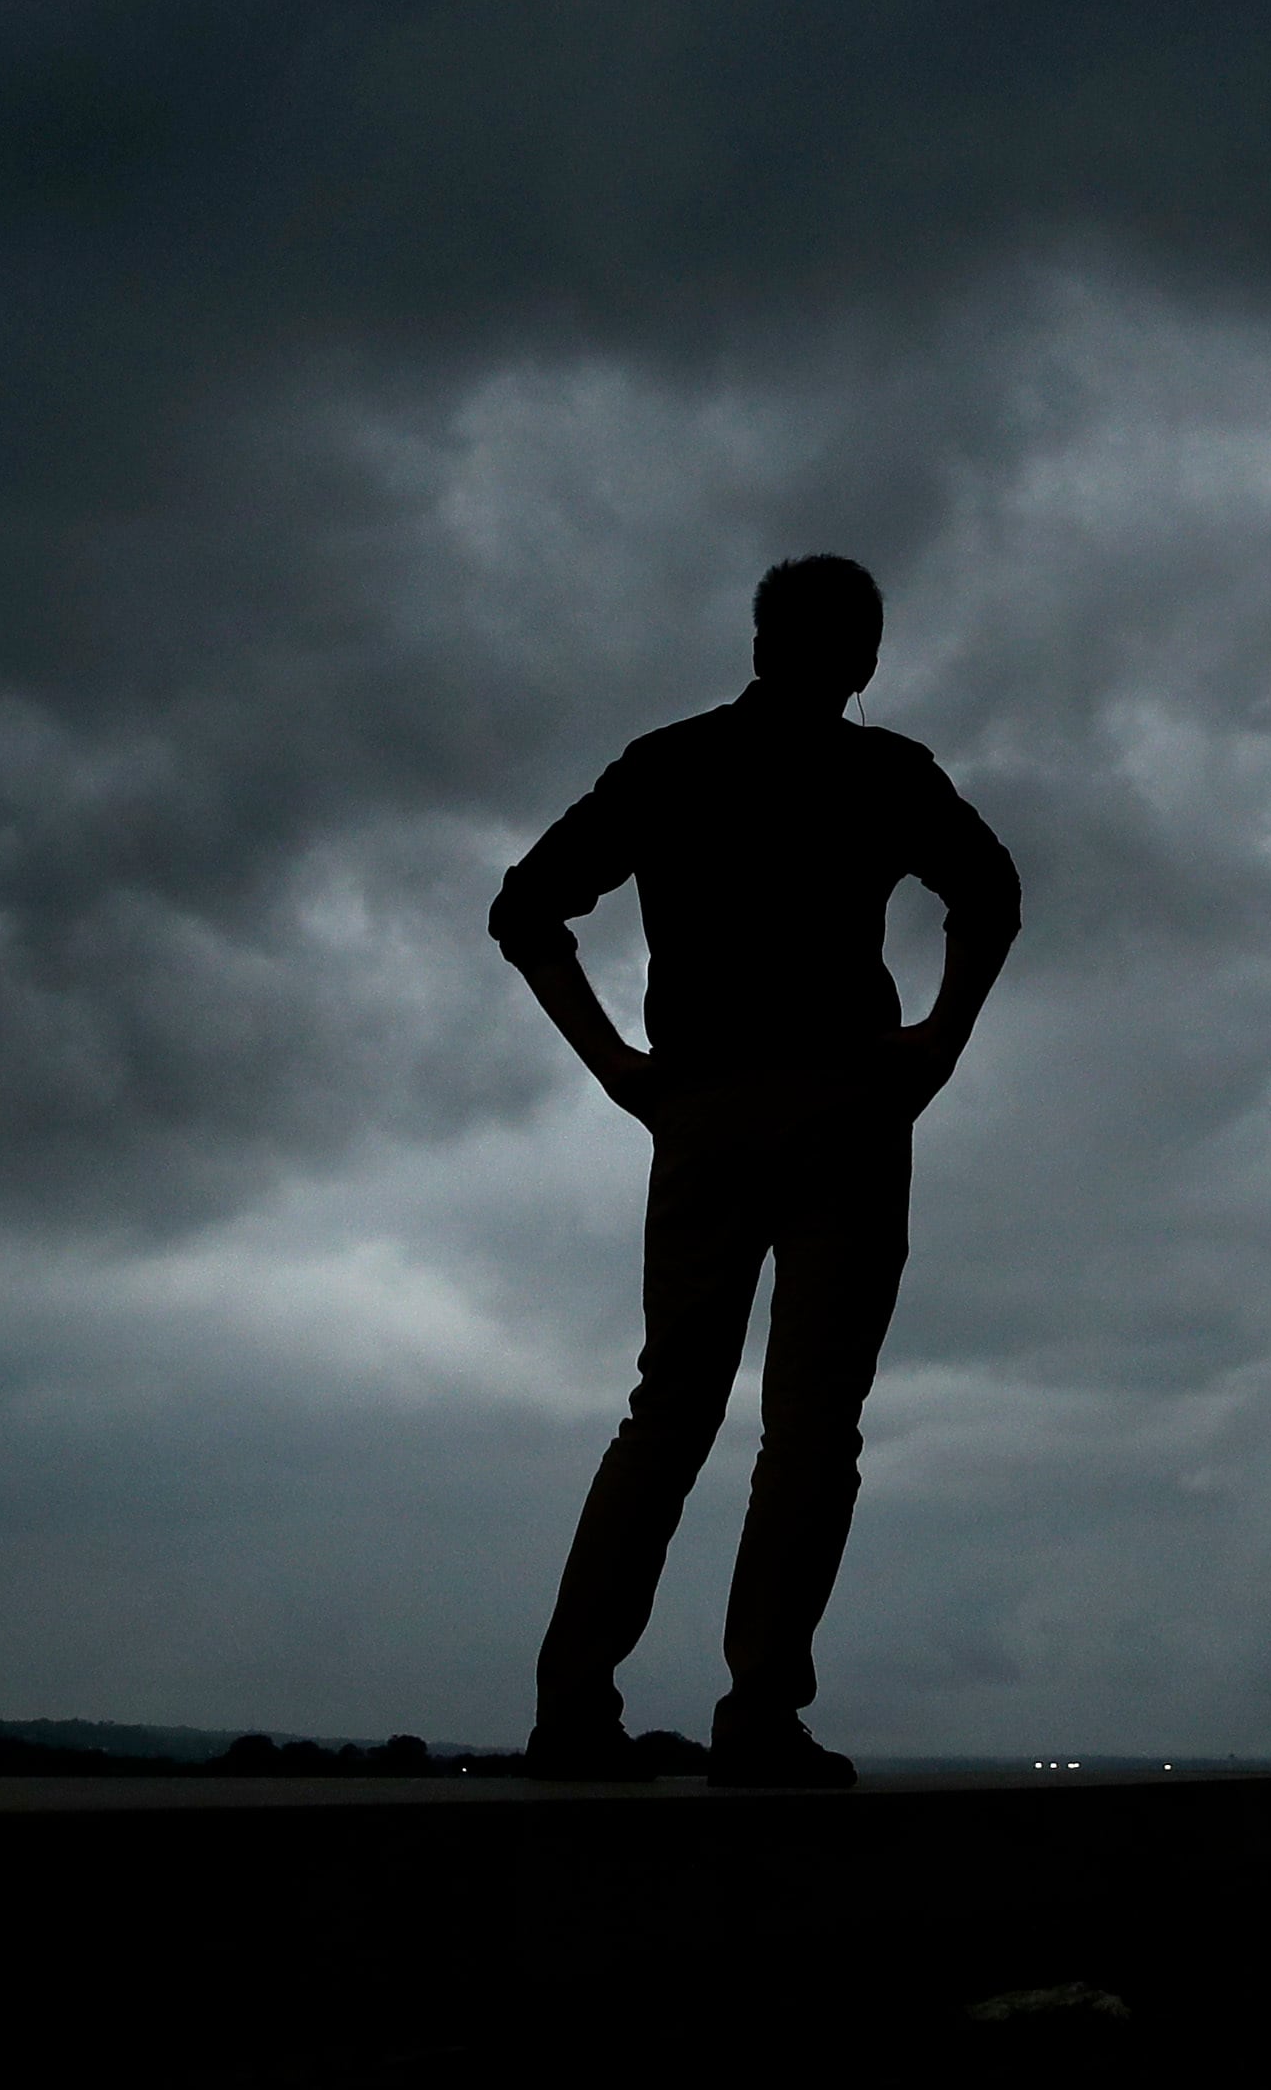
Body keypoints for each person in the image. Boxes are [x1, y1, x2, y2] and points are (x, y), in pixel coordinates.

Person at [489, 554, 1020, 1789]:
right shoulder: (885, 773)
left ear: (761, 638)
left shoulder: (670, 764)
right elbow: (989, 894)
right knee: (810, 1425)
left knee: (668, 1408)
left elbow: (526, 910)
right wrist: (938, 1039)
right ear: (865, 656)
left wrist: (621, 1065)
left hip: (705, 1107)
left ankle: (573, 1706)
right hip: (843, 1104)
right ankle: (761, 1711)